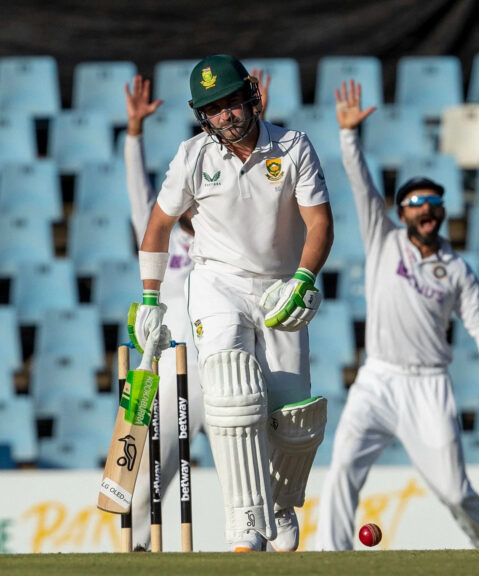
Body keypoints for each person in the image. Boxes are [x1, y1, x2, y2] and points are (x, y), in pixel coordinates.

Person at [132, 54, 333, 552]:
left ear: (251, 95)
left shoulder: (292, 147)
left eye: (231, 102)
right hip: (216, 282)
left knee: (295, 419)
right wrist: (151, 300)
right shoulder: (193, 155)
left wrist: (305, 278)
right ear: (202, 115)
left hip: (279, 286)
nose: (226, 115)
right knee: (231, 393)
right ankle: (245, 521)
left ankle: (280, 503)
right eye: (213, 109)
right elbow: (157, 226)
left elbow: (321, 223)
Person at [316, 80, 479, 551]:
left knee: (454, 492)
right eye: (417, 203)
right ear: (402, 212)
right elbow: (362, 186)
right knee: (343, 466)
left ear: (442, 212)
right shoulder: (382, 239)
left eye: (434, 202)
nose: (427, 209)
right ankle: (330, 557)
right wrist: (348, 136)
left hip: (429, 386)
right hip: (378, 378)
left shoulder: (457, 269)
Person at [122, 70, 269, 550]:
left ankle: (258, 550)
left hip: (226, 365)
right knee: (146, 483)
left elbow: (259, 187)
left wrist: (259, 118)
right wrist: (135, 133)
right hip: (171, 370)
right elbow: (140, 196)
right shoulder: (164, 227)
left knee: (247, 476)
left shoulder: (224, 233)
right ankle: (139, 549)